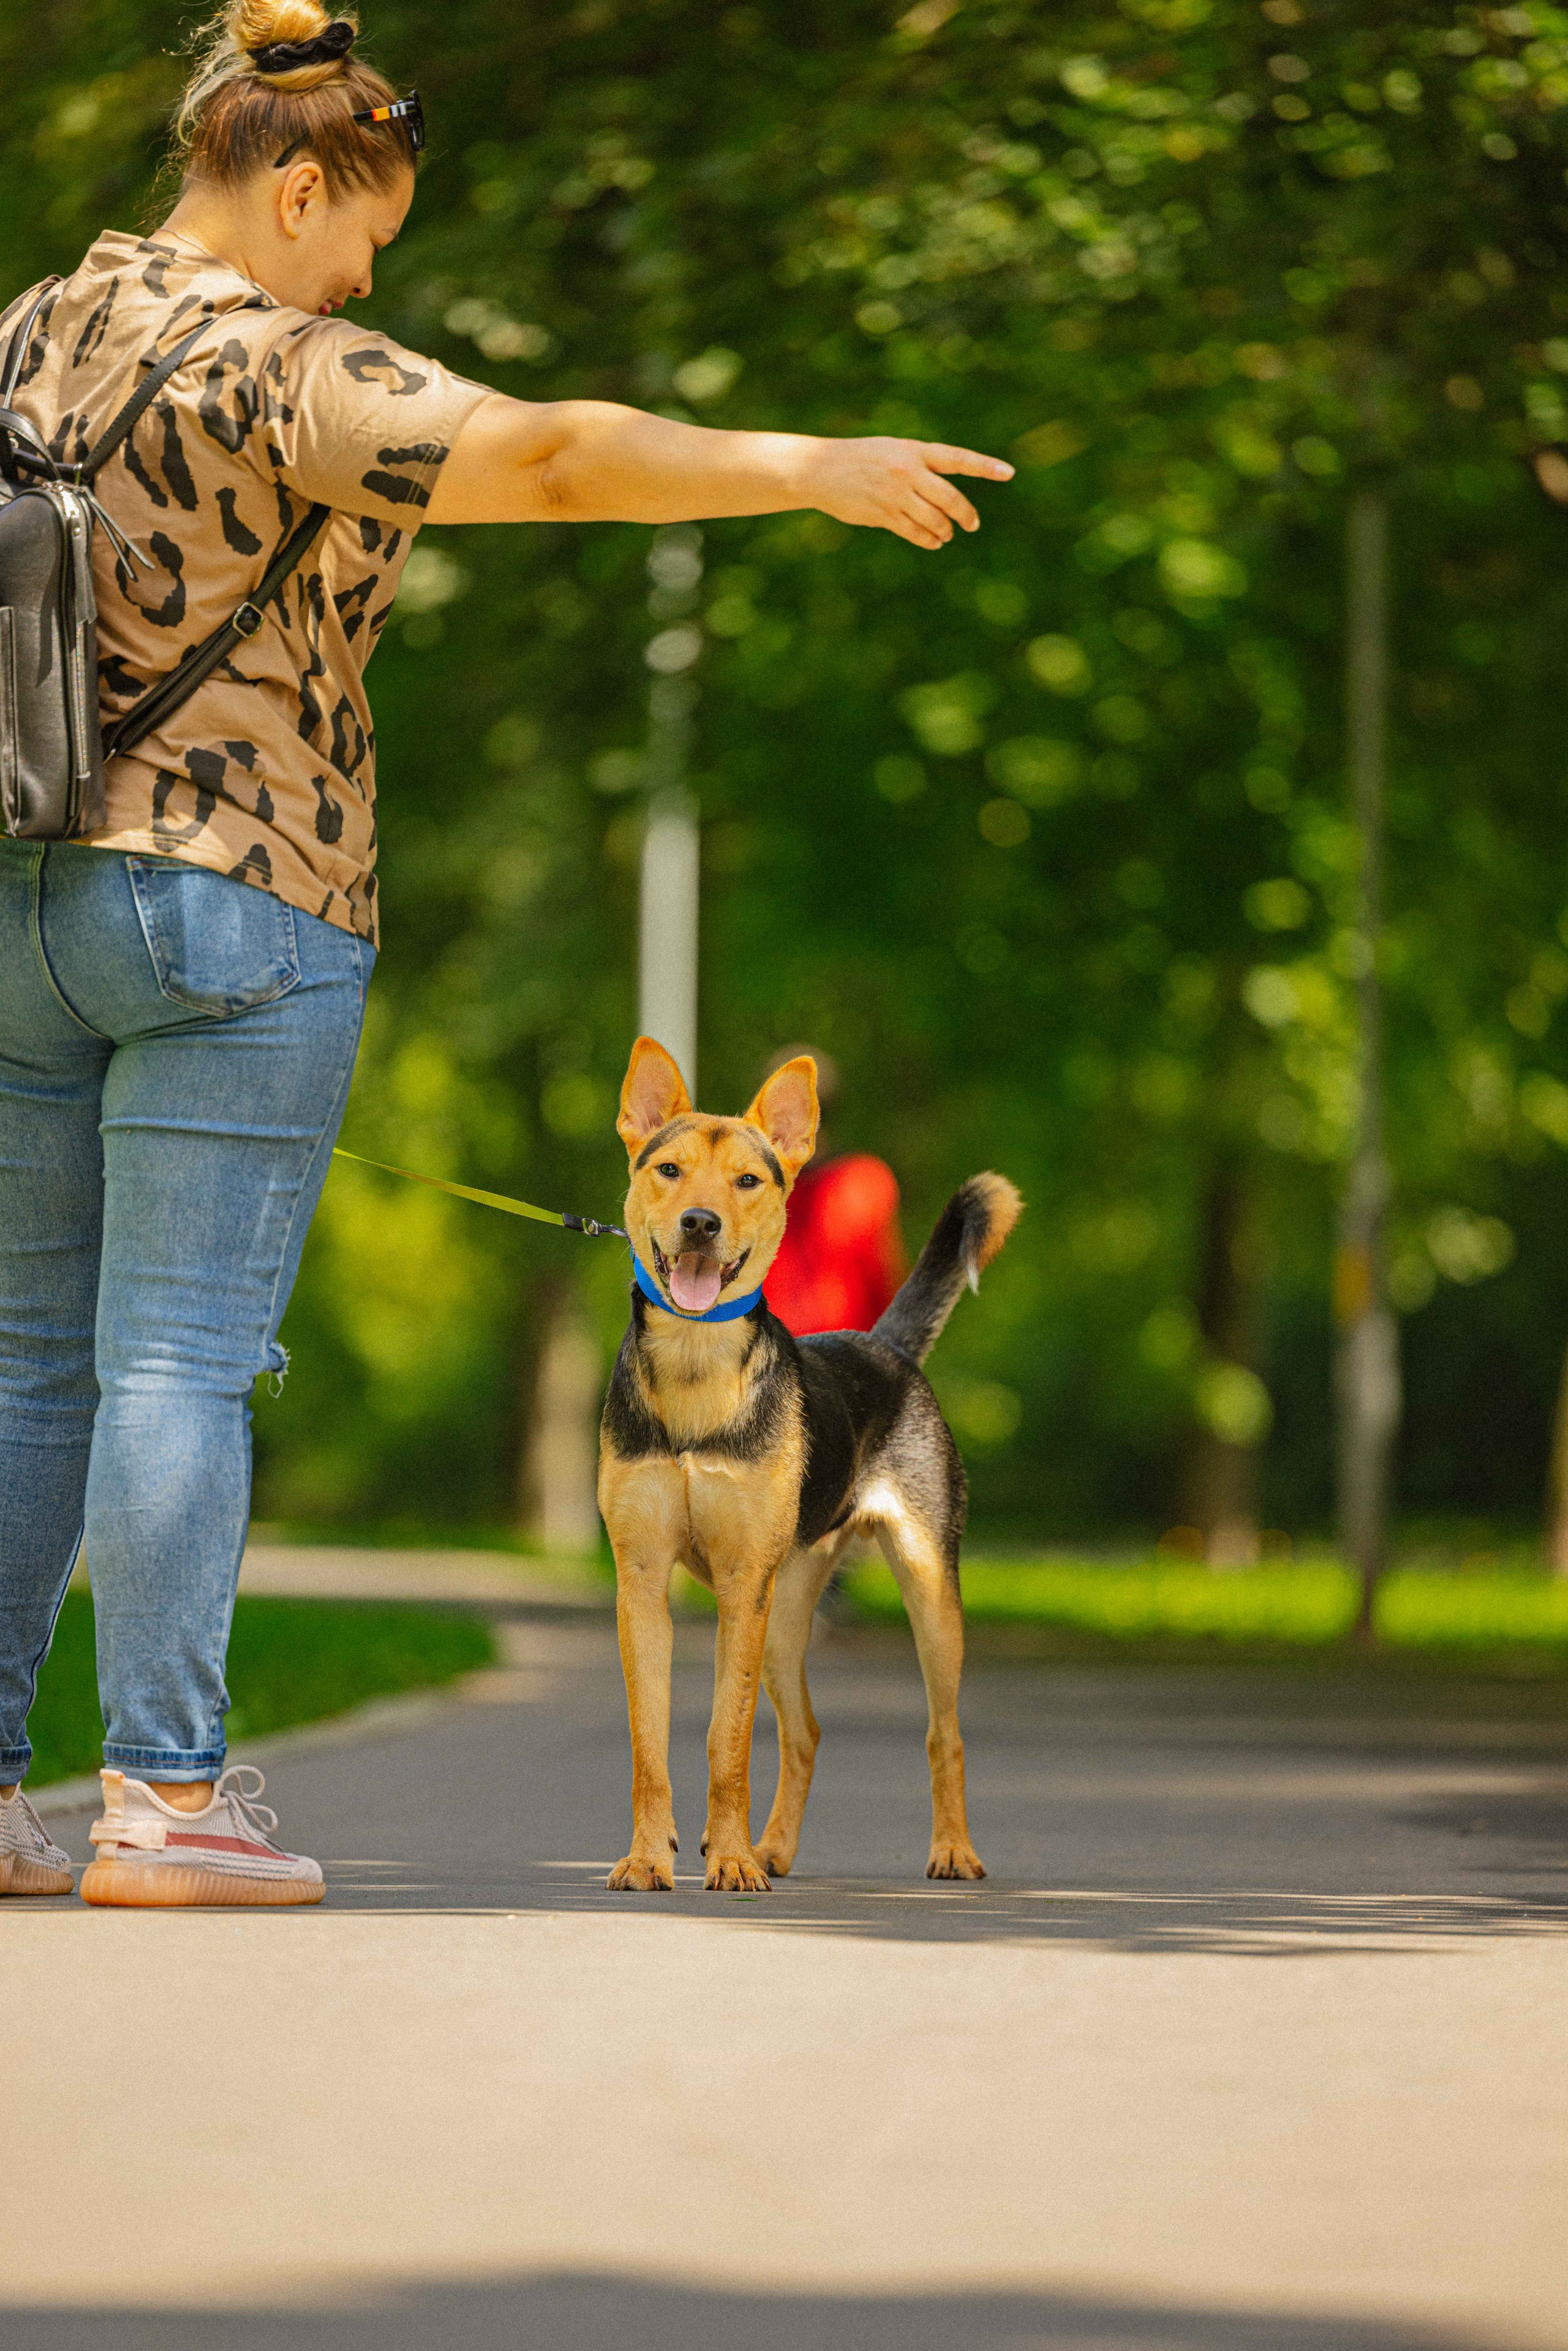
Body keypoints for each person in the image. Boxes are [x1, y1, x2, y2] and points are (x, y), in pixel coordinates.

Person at [0, 0, 1011, 1907]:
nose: (374, 269)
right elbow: (542, 457)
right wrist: (800, 461)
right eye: (363, 228)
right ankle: (166, 1798)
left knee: (31, 1360)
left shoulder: (37, 331)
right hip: (237, 886)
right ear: (292, 182)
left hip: (28, 895)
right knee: (176, 1363)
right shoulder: (275, 362)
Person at [761, 1049, 907, 1337]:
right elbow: (890, 1298)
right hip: (843, 1364)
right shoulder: (864, 1183)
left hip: (796, 1368)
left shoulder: (861, 1185)